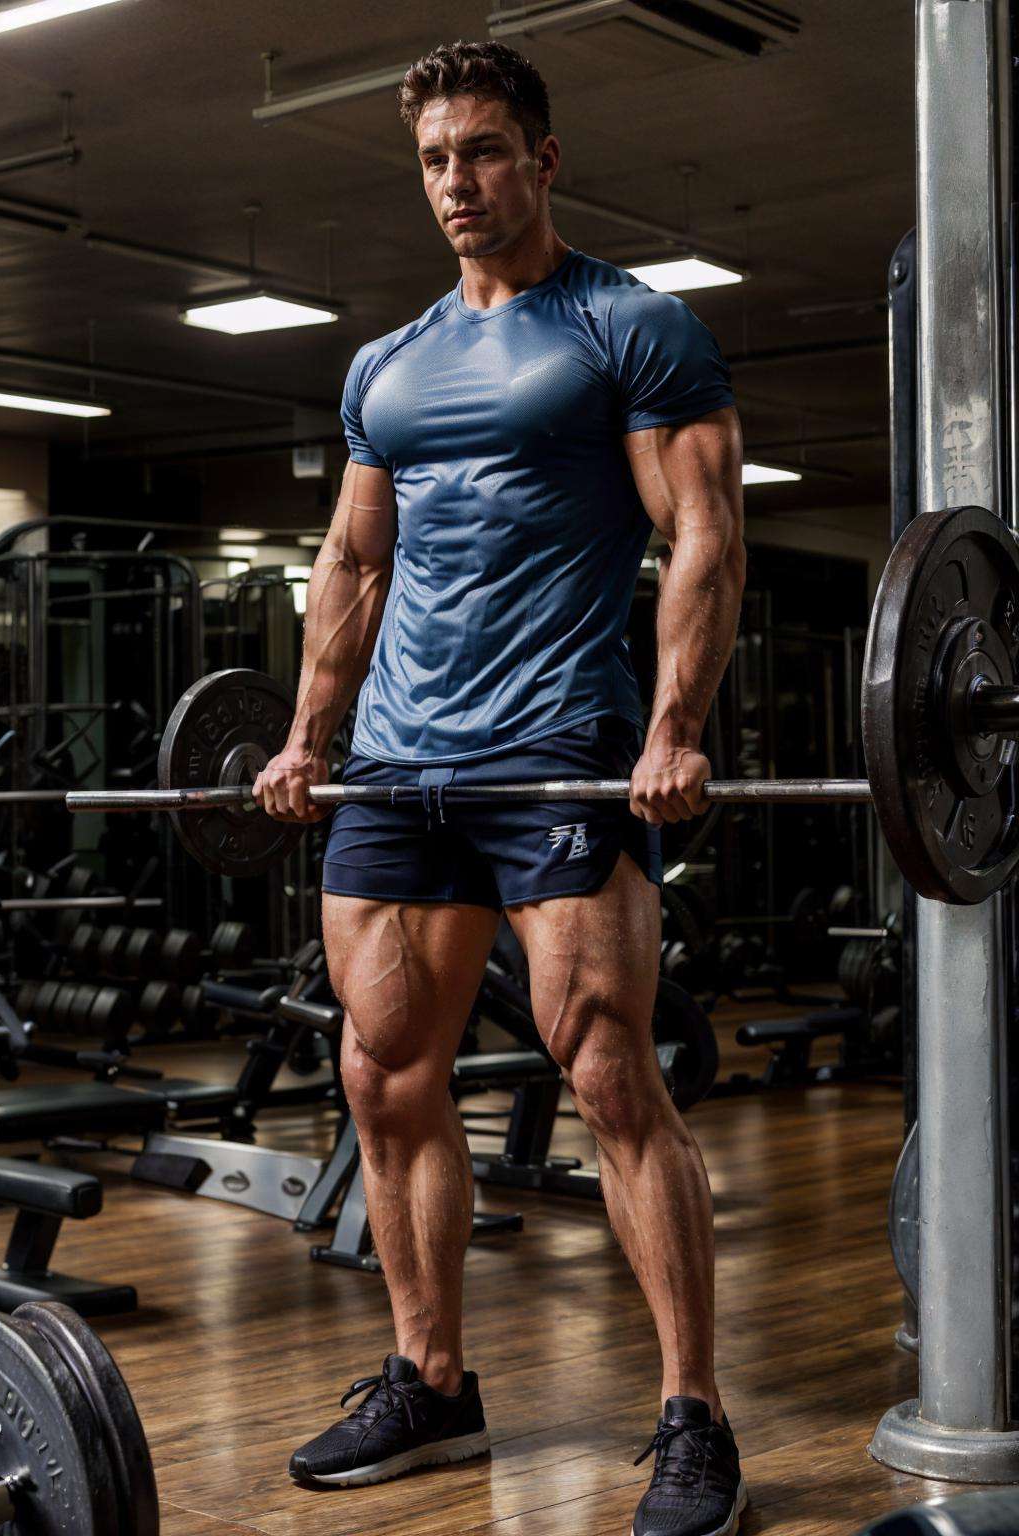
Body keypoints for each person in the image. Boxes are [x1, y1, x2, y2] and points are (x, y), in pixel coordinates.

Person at [254, 38, 746, 1536]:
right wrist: (306, 739)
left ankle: (692, 1417)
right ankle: (432, 1382)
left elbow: (705, 537)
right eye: (431, 161)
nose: (455, 185)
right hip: (402, 765)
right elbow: (352, 561)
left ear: (544, 157)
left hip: (561, 750)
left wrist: (673, 728)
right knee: (383, 1073)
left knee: (606, 1075)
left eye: (480, 152)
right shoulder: (385, 365)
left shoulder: (629, 327)